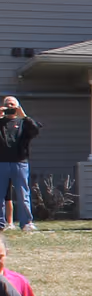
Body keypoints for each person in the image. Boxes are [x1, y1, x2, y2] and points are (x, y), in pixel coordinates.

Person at [0, 97, 38, 233]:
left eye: (12, 104)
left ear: (17, 107)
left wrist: (24, 115)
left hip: (20, 162)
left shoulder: (23, 123)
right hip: (1, 162)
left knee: (23, 193)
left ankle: (26, 223)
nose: (9, 106)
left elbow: (35, 130)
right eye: (6, 104)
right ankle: (0, 224)